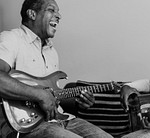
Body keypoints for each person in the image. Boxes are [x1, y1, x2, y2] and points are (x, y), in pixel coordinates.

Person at [0, 0, 113, 138]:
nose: (59, 15)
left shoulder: (52, 52)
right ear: (32, 14)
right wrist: (39, 95)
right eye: (51, 10)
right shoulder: (11, 38)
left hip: (63, 120)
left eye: (58, 11)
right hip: (29, 127)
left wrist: (77, 102)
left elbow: (53, 97)